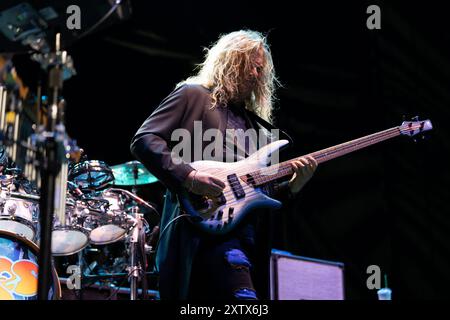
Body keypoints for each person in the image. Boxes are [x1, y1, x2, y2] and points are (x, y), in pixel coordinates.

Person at [130, 30, 317, 300]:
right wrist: (190, 176)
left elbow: (259, 196)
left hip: (245, 241)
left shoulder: (259, 130)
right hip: (200, 234)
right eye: (250, 65)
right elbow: (145, 140)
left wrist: (292, 188)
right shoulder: (192, 95)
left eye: (260, 69)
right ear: (230, 61)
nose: (256, 74)